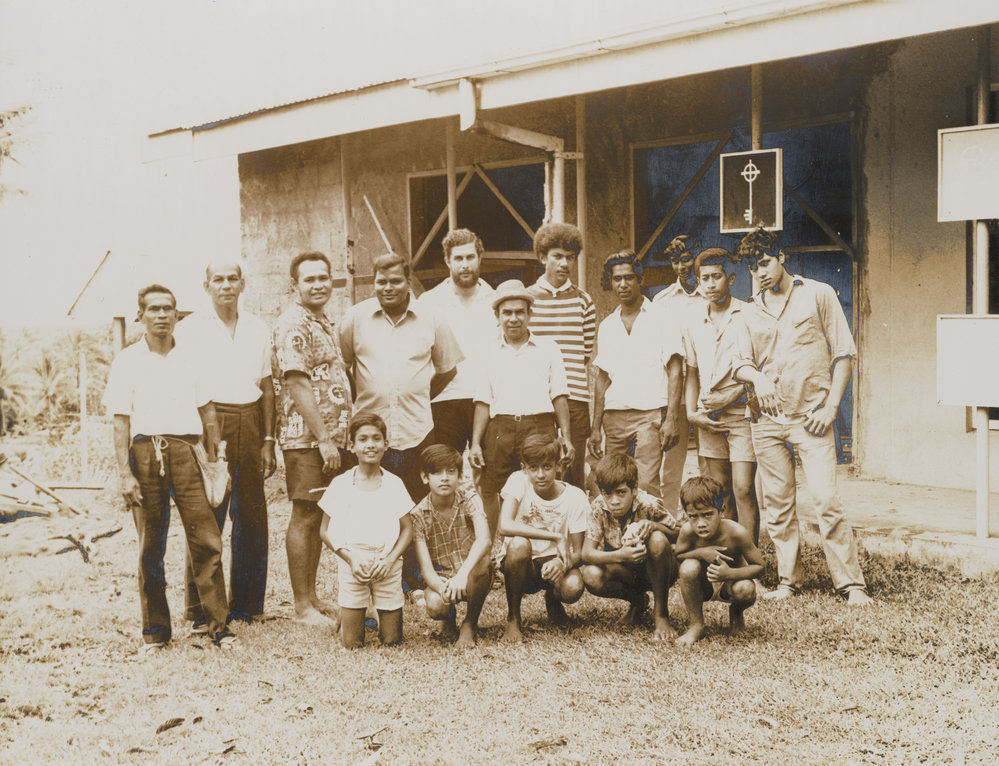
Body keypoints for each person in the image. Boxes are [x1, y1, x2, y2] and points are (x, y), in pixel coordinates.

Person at [733, 227, 873, 606]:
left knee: (826, 499)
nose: (759, 272)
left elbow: (843, 355)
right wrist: (757, 377)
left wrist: (830, 408)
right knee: (777, 505)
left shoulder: (818, 294)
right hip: (767, 421)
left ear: (782, 257)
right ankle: (787, 581)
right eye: (751, 267)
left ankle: (851, 584)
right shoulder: (749, 310)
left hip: (811, 417)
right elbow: (740, 364)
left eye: (764, 263)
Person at [103, 284, 236, 652]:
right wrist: (124, 473)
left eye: (169, 309)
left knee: (207, 539)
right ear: (141, 315)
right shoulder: (127, 360)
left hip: (187, 451)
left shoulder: (192, 358)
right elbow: (120, 422)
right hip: (145, 453)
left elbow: (208, 412)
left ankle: (219, 628)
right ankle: (156, 633)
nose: (162, 315)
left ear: (178, 315)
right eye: (154, 309)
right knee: (151, 545)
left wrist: (215, 457)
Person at [177, 260, 275, 629]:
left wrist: (268, 439)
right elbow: (184, 384)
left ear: (243, 283)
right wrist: (200, 434)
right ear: (206, 286)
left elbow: (266, 385)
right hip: (208, 420)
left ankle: (248, 605)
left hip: (249, 420)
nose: (226, 285)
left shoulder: (256, 326)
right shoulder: (188, 330)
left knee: (251, 512)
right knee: (207, 514)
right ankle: (201, 607)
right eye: (218, 279)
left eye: (232, 279)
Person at [339, 252, 462, 500]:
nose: (387, 288)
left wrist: (419, 394)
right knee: (371, 502)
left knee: (416, 506)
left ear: (408, 281)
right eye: (381, 282)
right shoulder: (354, 318)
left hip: (416, 431)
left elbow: (447, 370)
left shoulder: (432, 319)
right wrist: (366, 395)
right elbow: (341, 369)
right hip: (370, 434)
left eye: (395, 281)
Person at [272, 251, 353, 627]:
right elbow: (296, 381)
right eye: (310, 280)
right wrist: (323, 438)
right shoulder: (294, 323)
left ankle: (313, 596)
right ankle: (302, 606)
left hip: (330, 437)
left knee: (320, 512)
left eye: (324, 277)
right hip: (307, 439)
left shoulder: (320, 320)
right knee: (305, 515)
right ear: (295, 286)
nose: (318, 284)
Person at [469, 280, 573, 535]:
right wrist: (474, 443)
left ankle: (544, 544)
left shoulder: (549, 348)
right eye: (507, 312)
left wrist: (566, 438)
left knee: (541, 485)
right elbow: (483, 401)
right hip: (500, 429)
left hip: (540, 426)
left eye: (519, 312)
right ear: (497, 316)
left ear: (529, 314)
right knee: (492, 489)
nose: (513, 318)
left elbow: (559, 395)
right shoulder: (488, 352)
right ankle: (493, 552)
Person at [588, 250, 683, 497]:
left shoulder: (663, 317)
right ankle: (619, 536)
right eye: (617, 278)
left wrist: (671, 417)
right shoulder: (607, 325)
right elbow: (602, 378)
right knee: (614, 484)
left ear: (639, 279)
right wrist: (595, 427)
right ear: (610, 282)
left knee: (645, 484)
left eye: (629, 277)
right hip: (614, 416)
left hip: (650, 414)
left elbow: (675, 369)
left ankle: (649, 535)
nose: (623, 284)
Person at [682, 248, 760, 543]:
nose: (711, 284)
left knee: (742, 488)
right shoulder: (693, 320)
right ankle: (727, 555)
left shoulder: (748, 314)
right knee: (719, 490)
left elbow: (763, 368)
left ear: (730, 278)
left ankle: (750, 559)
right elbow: (691, 370)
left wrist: (729, 397)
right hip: (708, 417)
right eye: (705, 278)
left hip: (742, 413)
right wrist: (692, 413)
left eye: (717, 277)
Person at [318, 412, 414, 649]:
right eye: (363, 439)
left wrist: (390, 560)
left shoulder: (394, 484)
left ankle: (377, 610)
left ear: (386, 444)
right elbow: (325, 530)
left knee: (392, 641)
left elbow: (407, 530)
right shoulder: (341, 483)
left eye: (376, 438)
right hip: (354, 562)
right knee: (352, 644)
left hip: (386, 563)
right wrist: (350, 559)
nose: (370, 444)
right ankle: (354, 611)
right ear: (352, 446)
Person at [497, 435, 587, 642]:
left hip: (554, 564)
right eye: (533, 468)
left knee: (573, 587)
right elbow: (504, 525)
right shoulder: (518, 481)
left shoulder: (576, 497)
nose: (540, 474)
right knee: (518, 543)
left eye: (547, 467)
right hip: (520, 564)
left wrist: (562, 563)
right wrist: (555, 536)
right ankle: (513, 619)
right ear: (524, 468)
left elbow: (578, 551)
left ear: (557, 466)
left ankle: (553, 599)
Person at [580, 454, 679, 640]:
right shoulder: (599, 508)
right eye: (607, 493)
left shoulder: (648, 503)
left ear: (634, 489)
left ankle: (661, 615)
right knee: (590, 575)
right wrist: (622, 555)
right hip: (625, 571)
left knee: (657, 539)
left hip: (658, 570)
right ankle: (638, 601)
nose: (614, 501)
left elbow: (680, 533)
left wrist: (654, 526)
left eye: (621, 492)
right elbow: (587, 553)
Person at [526, 222, 595, 489]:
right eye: (557, 256)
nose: (564, 263)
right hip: (537, 398)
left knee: (573, 468)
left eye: (570, 257)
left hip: (575, 398)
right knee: (540, 467)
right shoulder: (527, 299)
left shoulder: (584, 301)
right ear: (543, 258)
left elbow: (584, 353)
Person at [417, 229, 496, 453]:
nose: (465, 265)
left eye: (470, 257)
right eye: (458, 258)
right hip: (445, 401)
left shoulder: (496, 299)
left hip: (487, 399)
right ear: (447, 261)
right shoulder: (429, 302)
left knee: (489, 472)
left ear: (480, 258)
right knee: (444, 468)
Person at [410, 444, 492, 648]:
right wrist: (442, 587)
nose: (444, 477)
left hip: (470, 572)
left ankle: (469, 623)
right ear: (424, 477)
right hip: (442, 578)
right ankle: (448, 620)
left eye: (451, 471)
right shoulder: (418, 515)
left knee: (483, 563)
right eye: (436, 472)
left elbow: (485, 539)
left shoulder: (469, 498)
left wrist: (463, 575)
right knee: (437, 606)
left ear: (460, 476)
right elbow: (426, 570)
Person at [673, 476, 764, 647]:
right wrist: (701, 552)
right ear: (686, 515)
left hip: (730, 585)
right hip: (702, 585)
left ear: (721, 511)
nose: (701, 523)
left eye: (707, 515)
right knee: (688, 567)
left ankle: (736, 614)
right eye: (693, 516)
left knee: (746, 588)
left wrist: (730, 573)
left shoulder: (736, 532)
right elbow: (678, 556)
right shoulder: (687, 531)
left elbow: (760, 567)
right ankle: (696, 625)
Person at [651, 234, 704, 513]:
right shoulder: (662, 301)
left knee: (709, 462)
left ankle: (707, 520)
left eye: (686, 259)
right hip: (673, 393)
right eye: (675, 261)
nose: (682, 267)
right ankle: (669, 520)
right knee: (671, 465)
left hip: (707, 388)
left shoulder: (711, 293)